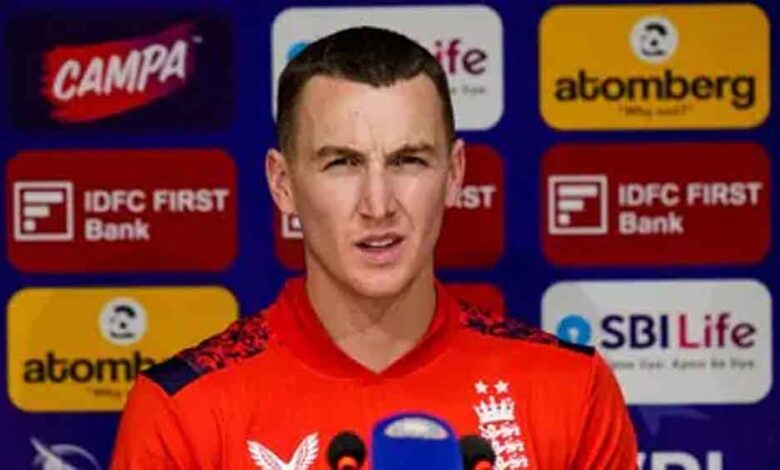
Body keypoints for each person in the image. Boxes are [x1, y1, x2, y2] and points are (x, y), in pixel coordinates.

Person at [110, 26, 637, 469]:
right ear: (282, 183)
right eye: (342, 163)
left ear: (454, 174)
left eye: (409, 160)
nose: (378, 204)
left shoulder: (571, 390)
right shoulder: (184, 410)